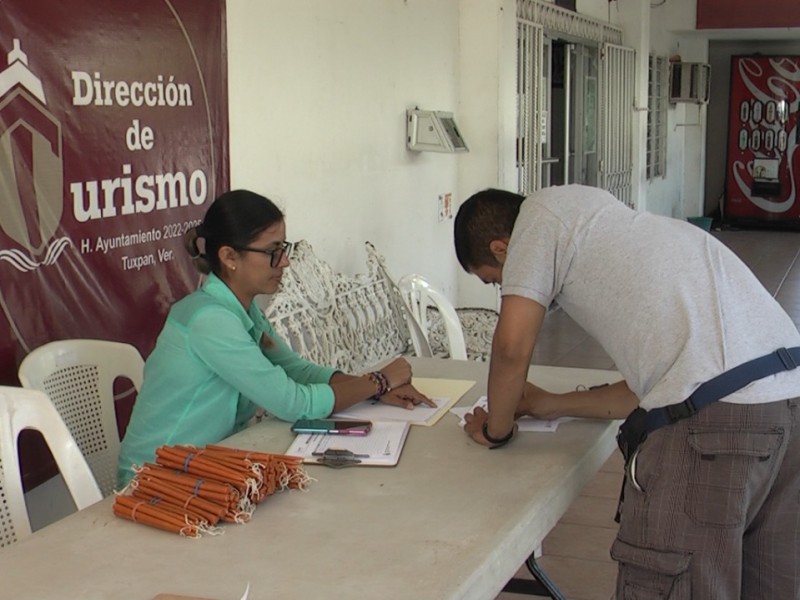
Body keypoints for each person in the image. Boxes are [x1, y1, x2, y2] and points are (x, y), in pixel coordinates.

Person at [453, 184, 800, 600]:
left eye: (495, 281)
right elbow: (658, 391)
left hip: (716, 430)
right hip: (787, 406)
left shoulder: (536, 223)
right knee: (768, 584)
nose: (507, 290)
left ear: (502, 248)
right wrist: (548, 404)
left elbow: (511, 348)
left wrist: (497, 428)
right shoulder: (600, 220)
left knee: (674, 584)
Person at [117, 189, 432, 486]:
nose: (285, 262)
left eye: (284, 248)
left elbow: (296, 370)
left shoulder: (242, 309)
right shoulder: (210, 320)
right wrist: (379, 380)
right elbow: (293, 403)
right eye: (273, 252)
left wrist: (371, 389)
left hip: (207, 465)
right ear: (229, 256)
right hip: (157, 479)